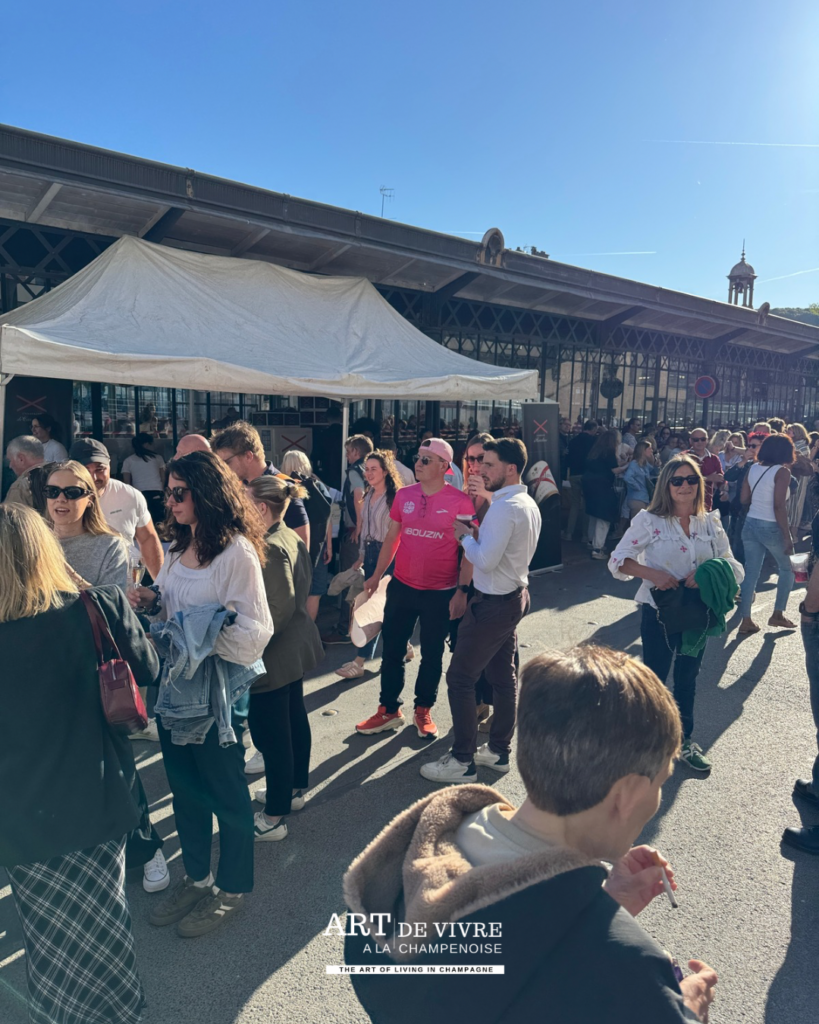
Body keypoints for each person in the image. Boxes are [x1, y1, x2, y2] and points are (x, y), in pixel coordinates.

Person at [344, 645, 717, 1023]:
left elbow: (492, 964)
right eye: (661, 784)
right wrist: (681, 1011)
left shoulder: (404, 869)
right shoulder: (633, 977)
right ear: (627, 795)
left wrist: (600, 906)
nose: (657, 800)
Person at [0, 503, 159, 1024]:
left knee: (46, 937)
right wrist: (84, 589)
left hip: (20, 817)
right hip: (95, 799)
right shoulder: (98, 607)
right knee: (106, 927)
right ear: (47, 551)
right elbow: (149, 670)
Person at [129, 451, 273, 937]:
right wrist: (152, 600)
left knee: (227, 794)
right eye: (167, 493)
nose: (169, 502)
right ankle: (197, 878)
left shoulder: (237, 553)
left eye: (178, 493)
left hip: (217, 698)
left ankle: (232, 888)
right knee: (186, 793)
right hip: (174, 692)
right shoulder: (175, 546)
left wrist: (195, 630)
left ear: (206, 494)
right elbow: (170, 603)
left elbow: (256, 633)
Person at [609, 455, 744, 772]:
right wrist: (652, 574)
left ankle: (685, 740)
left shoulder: (710, 522)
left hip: (697, 613)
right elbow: (618, 561)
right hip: (660, 612)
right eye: (677, 480)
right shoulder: (649, 521)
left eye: (691, 479)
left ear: (700, 484)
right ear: (666, 486)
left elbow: (735, 568)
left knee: (687, 679)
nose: (685, 486)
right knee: (652, 679)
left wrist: (711, 571)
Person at [421, 438, 540, 783]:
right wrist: (475, 536)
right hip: (511, 596)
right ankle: (498, 751)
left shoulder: (506, 507)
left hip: (494, 603)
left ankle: (462, 761)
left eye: (488, 464)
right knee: (503, 677)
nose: (480, 470)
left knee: (460, 678)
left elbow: (485, 558)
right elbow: (495, 551)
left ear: (511, 468)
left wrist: (464, 537)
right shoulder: (522, 501)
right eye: (479, 463)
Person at [355, 438, 476, 740]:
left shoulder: (460, 502)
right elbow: (392, 539)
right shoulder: (404, 496)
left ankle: (423, 710)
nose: (417, 464)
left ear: (443, 467)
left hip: (441, 592)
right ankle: (389, 710)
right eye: (418, 458)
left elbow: (470, 551)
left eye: (425, 460)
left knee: (432, 655)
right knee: (392, 652)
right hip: (402, 588)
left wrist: (462, 591)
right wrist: (376, 577)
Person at [244, 475, 324, 840]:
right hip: (293, 645)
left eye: (244, 502)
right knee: (292, 720)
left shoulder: (271, 546)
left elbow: (278, 607)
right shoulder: (288, 534)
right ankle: (291, 790)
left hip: (273, 651)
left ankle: (274, 814)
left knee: (271, 733)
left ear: (262, 508)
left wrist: (247, 644)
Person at [336, 451, 403, 679]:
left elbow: (396, 535)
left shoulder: (395, 498)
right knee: (376, 608)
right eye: (367, 468)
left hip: (391, 555)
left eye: (374, 468)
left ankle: (360, 661)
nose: (369, 473)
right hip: (372, 552)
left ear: (385, 471)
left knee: (379, 609)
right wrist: (361, 556)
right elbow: (364, 529)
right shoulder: (368, 495)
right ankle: (402, 649)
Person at [69, 438, 164, 580]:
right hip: (76, 592)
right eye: (85, 470)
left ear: (110, 466)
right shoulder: (59, 498)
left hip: (123, 591)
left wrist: (160, 586)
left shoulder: (130, 496)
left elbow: (148, 539)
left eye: (99, 469)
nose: (93, 477)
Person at [211, 420, 310, 548]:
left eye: (226, 462)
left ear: (248, 456)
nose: (223, 468)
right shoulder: (238, 485)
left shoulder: (282, 487)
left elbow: (301, 545)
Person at [737, 433, 797, 635]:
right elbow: (779, 506)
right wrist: (787, 536)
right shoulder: (782, 472)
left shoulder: (753, 468)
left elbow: (744, 499)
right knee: (787, 568)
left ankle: (746, 619)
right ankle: (777, 614)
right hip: (771, 525)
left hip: (751, 522)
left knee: (751, 572)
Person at [322, 433, 374, 645]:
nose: (346, 455)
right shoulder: (370, 469)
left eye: (348, 451)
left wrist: (358, 527)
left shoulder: (355, 471)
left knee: (349, 578)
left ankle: (345, 629)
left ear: (356, 452)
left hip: (355, 531)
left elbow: (358, 497)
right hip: (369, 532)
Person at [45, 460, 129, 590]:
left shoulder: (110, 547)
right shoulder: (31, 542)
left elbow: (112, 604)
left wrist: (67, 573)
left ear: (90, 499)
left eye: (72, 492)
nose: (60, 498)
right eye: (52, 491)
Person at [280, 450, 334, 622]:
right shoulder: (318, 486)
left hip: (289, 546)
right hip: (318, 545)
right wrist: (329, 546)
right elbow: (328, 517)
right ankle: (309, 632)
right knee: (315, 592)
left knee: (291, 591)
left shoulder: (280, 487)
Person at [582, 428, 628, 559]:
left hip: (588, 483)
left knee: (593, 514)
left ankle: (592, 542)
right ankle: (598, 548)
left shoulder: (596, 451)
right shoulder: (609, 451)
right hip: (601, 485)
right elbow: (614, 470)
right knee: (604, 516)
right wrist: (628, 465)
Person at [122, 432, 167, 524]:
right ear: (146, 445)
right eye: (152, 444)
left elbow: (126, 483)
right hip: (156, 492)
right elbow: (163, 477)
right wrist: (163, 491)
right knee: (159, 521)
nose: (154, 446)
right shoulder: (158, 458)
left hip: (139, 493)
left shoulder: (128, 461)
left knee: (142, 521)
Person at [564, 419, 598, 541]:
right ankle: (585, 535)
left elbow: (567, 459)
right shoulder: (594, 441)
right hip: (588, 475)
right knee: (586, 504)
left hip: (574, 474)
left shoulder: (573, 441)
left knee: (574, 504)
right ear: (593, 429)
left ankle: (569, 533)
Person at [685, 429, 724, 512]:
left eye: (703, 439)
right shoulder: (683, 457)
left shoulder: (714, 459)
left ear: (707, 440)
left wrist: (723, 490)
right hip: (686, 505)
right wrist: (708, 478)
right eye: (696, 440)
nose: (700, 442)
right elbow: (680, 479)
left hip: (706, 505)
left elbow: (720, 479)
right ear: (690, 441)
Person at [4, 434, 44, 507]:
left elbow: (11, 517)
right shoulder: (61, 477)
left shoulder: (20, 487)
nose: (10, 466)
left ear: (21, 459)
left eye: (10, 460)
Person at [623, 440, 658, 519]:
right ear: (643, 450)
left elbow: (654, 473)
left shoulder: (645, 464)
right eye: (649, 448)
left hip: (644, 498)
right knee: (637, 526)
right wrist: (637, 487)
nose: (652, 450)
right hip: (636, 498)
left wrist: (656, 465)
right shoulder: (634, 464)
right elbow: (627, 477)